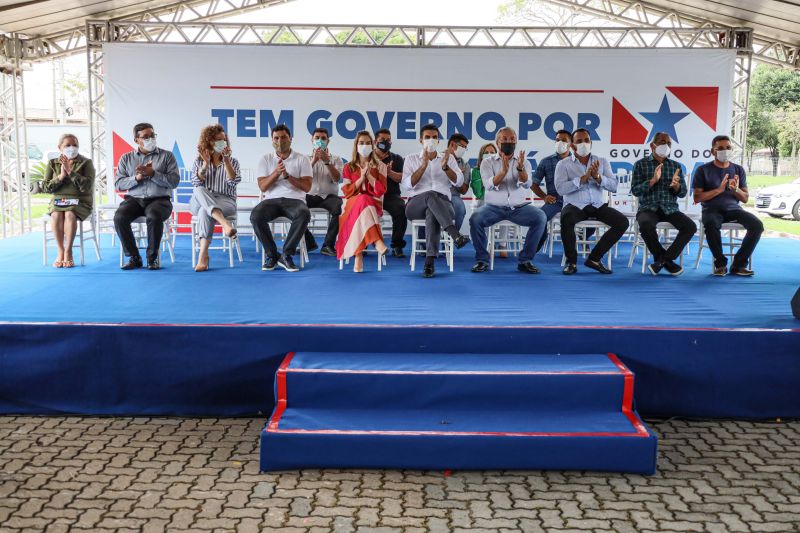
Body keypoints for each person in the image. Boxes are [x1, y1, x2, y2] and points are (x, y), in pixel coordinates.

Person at [469, 127, 547, 274]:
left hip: (518, 208)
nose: (508, 141)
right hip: (493, 207)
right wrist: (503, 172)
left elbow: (526, 183)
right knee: (475, 218)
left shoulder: (524, 162)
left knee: (540, 216)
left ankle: (525, 260)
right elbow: (489, 185)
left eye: (512, 139)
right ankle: (481, 260)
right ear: (498, 142)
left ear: (516, 141)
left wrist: (520, 169)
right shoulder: (487, 163)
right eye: (504, 139)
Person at [555, 128, 628, 275]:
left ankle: (594, 258)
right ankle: (571, 262)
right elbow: (560, 189)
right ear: (572, 146)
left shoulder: (602, 161)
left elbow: (614, 186)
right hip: (575, 206)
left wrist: (598, 177)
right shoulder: (563, 164)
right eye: (579, 141)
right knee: (566, 218)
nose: (584, 144)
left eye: (586, 140)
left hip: (598, 205)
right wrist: (581, 180)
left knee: (622, 222)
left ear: (591, 142)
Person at [402, 124, 470, 278]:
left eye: (434, 137)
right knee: (430, 194)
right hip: (415, 205)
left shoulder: (449, 158)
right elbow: (407, 185)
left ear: (439, 141)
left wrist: (445, 167)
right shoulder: (411, 159)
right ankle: (454, 233)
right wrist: (423, 165)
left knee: (432, 213)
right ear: (421, 140)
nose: (431, 140)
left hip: (444, 204)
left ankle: (429, 262)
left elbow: (459, 182)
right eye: (427, 137)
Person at [691, 135, 762, 276]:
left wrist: (735, 189)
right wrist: (718, 190)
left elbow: (746, 198)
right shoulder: (703, 170)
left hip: (734, 210)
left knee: (757, 226)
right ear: (713, 151)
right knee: (710, 224)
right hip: (712, 210)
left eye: (728, 148)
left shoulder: (738, 170)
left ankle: (739, 265)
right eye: (721, 148)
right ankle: (720, 264)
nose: (725, 151)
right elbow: (697, 197)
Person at [114, 122, 180, 270]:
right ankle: (134, 257)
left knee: (154, 216)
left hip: (160, 200)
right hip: (134, 200)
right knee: (119, 217)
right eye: (145, 137)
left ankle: (152, 258)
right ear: (136, 140)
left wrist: (153, 174)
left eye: (152, 136)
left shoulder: (167, 156)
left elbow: (174, 182)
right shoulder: (126, 158)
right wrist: (136, 178)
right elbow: (118, 184)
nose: (150, 139)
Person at [631, 132, 696, 276]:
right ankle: (666, 261)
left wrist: (676, 187)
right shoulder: (641, 164)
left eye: (668, 143)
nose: (665, 145)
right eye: (661, 142)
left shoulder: (675, 166)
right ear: (652, 145)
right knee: (646, 225)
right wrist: (652, 181)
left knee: (690, 227)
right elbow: (635, 190)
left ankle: (663, 260)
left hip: (670, 208)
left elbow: (683, 192)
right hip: (648, 208)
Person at [251, 124, 312, 272]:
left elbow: (307, 187)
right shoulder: (265, 159)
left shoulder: (302, 159)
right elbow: (263, 187)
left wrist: (287, 176)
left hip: (295, 200)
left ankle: (286, 255)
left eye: (283, 137)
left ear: (290, 139)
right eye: (276, 138)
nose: (280, 141)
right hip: (271, 200)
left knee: (304, 214)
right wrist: (276, 173)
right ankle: (272, 255)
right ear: (272, 140)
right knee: (256, 216)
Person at [189, 124, 241, 272]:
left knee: (205, 212)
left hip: (226, 200)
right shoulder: (199, 161)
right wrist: (205, 164)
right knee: (199, 189)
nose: (222, 143)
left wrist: (226, 161)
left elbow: (233, 181)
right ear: (209, 141)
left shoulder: (233, 161)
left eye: (224, 140)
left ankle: (203, 255)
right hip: (200, 199)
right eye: (218, 140)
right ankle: (225, 223)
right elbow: (196, 182)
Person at [336, 131, 390, 272]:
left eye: (367, 142)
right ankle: (377, 242)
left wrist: (370, 177)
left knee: (364, 199)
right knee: (361, 198)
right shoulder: (348, 167)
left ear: (372, 145)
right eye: (361, 143)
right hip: (352, 206)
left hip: (373, 205)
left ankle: (358, 256)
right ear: (356, 145)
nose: (364, 145)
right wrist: (361, 178)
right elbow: (347, 192)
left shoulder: (381, 166)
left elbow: (381, 190)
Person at [42, 134, 95, 268]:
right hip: (58, 200)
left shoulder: (86, 162)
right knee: (56, 214)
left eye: (75, 145)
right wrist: (61, 176)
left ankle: (68, 251)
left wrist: (71, 172)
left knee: (70, 213)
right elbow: (46, 188)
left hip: (80, 201)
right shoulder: (52, 163)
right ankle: (60, 250)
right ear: (60, 148)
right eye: (68, 145)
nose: (72, 148)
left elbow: (87, 185)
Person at [303, 127, 343, 257]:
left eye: (323, 138)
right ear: (311, 140)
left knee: (340, 208)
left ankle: (328, 245)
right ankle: (309, 243)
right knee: (294, 208)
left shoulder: (336, 159)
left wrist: (327, 162)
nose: (320, 140)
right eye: (317, 138)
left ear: (328, 141)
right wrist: (314, 160)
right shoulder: (304, 159)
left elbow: (337, 179)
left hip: (329, 197)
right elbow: (301, 178)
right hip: (309, 195)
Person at [532, 129, 571, 252]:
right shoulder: (546, 161)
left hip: (574, 201)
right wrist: (544, 197)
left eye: (564, 140)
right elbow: (533, 184)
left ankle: (582, 238)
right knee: (540, 217)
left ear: (571, 143)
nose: (560, 142)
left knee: (592, 218)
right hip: (555, 201)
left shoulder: (578, 161)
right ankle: (535, 248)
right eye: (558, 140)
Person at [374, 128, 407, 257]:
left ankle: (397, 245)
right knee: (363, 210)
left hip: (391, 196)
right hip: (372, 195)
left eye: (388, 140)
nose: (385, 142)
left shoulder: (397, 159)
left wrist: (389, 173)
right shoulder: (367, 157)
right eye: (382, 140)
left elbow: (403, 178)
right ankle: (364, 243)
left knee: (401, 210)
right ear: (375, 141)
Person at [448, 133, 470, 231]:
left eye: (466, 148)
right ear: (452, 144)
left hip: (453, 196)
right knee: (429, 207)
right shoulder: (437, 158)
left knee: (460, 208)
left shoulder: (465, 165)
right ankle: (424, 244)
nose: (464, 150)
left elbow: (464, 190)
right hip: (436, 194)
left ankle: (453, 238)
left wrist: (457, 178)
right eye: (462, 146)